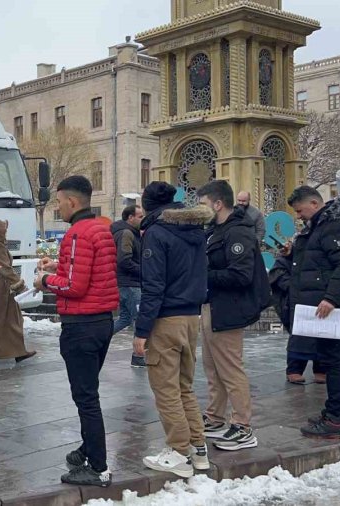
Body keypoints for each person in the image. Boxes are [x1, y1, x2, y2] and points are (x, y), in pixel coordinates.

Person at [34, 176, 119, 487]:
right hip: (102, 322)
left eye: (58, 201)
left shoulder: (76, 234)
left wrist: (44, 280)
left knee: (86, 397)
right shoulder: (100, 228)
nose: (58, 206)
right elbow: (92, 273)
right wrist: (58, 265)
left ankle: (97, 466)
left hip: (81, 326)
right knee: (89, 391)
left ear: (71, 202)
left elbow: (74, 286)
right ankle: (88, 447)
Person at [133, 181, 212, 478]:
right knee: (184, 387)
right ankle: (198, 449)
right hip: (192, 316)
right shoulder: (195, 230)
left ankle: (178, 451)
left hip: (166, 320)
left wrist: (141, 332)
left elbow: (153, 286)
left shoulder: (157, 233)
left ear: (149, 204)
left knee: (165, 389)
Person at [282, 186, 340, 439]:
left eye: (300, 210)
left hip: (331, 303)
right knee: (329, 358)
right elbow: (322, 260)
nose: (298, 216)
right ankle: (332, 412)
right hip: (321, 301)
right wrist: (294, 252)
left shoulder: (333, 225)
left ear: (315, 204)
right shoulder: (319, 225)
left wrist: (331, 297)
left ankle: (336, 419)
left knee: (333, 359)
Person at [196, 181, 269, 451]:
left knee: (230, 369)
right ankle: (215, 417)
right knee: (213, 367)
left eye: (204, 204)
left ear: (218, 204)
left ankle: (242, 425)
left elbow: (241, 274)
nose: (201, 211)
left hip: (228, 308)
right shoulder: (215, 231)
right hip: (212, 305)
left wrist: (203, 276)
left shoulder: (238, 232)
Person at [0, 216, 35, 367]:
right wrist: (19, 284)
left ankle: (18, 351)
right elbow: (5, 268)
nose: (5, 233)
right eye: (3, 230)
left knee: (12, 320)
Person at [112, 205, 144, 367]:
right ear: (130, 218)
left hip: (126, 283)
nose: (142, 219)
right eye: (139, 216)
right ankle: (138, 356)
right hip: (131, 284)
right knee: (139, 320)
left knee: (124, 318)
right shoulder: (126, 233)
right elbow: (124, 260)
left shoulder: (129, 233)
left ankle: (97, 340)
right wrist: (144, 270)